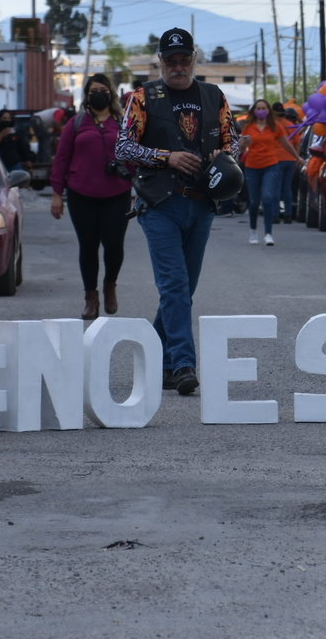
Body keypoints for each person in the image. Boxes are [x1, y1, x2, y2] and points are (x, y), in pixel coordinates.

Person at [115, 27, 238, 396]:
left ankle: (157, 361)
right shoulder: (142, 97)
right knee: (174, 286)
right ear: (161, 62)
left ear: (194, 60)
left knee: (183, 290)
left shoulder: (214, 95)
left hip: (201, 202)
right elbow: (123, 148)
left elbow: (233, 141)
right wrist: (166, 157)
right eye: (172, 61)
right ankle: (184, 364)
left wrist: (224, 155)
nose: (178, 66)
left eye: (184, 59)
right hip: (159, 203)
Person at [50, 74, 134, 321]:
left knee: (114, 245)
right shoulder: (76, 123)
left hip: (117, 194)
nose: (99, 94)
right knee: (88, 246)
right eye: (94, 90)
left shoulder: (123, 123)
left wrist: (133, 175)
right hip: (81, 195)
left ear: (111, 94)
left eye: (103, 90)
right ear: (87, 96)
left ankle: (110, 285)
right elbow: (61, 159)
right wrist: (57, 194)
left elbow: (135, 155)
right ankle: (90, 297)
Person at [239, 98, 300, 245]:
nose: (261, 111)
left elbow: (286, 144)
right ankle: (253, 230)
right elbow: (241, 147)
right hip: (252, 166)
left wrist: (297, 157)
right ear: (254, 111)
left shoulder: (275, 127)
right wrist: (244, 143)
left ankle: (268, 233)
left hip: (271, 165)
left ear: (268, 111)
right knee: (254, 202)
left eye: (263, 108)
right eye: (258, 108)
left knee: (267, 197)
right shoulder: (249, 127)